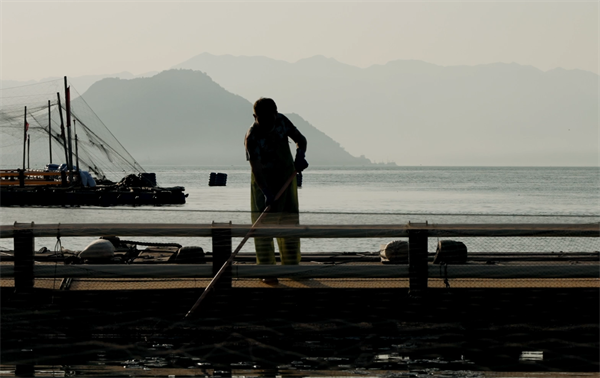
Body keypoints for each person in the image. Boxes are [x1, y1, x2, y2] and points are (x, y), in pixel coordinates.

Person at [244, 98, 309, 284]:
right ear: (255, 117)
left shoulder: (282, 121)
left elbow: (301, 140)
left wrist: (300, 155)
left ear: (276, 114)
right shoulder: (252, 137)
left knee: (289, 224)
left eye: (270, 119)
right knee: (264, 228)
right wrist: (266, 192)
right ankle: (267, 271)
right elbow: (256, 169)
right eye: (261, 120)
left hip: (286, 179)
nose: (267, 124)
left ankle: (291, 267)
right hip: (263, 183)